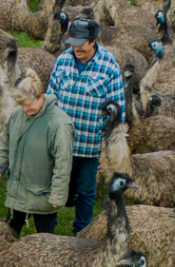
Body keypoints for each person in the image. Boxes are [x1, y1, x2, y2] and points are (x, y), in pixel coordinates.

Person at [48, 17, 126, 234]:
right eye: (72, 42)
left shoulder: (109, 66)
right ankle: (48, 231)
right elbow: (50, 96)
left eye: (80, 43)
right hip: (61, 141)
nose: (75, 48)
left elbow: (118, 109)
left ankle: (81, 232)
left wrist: (110, 144)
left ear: (93, 41)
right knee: (56, 184)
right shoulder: (63, 60)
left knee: (86, 189)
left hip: (89, 143)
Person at [0, 70, 75, 235]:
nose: (25, 109)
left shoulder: (59, 124)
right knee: (9, 236)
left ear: (40, 97)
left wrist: (58, 195)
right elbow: (5, 142)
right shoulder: (18, 114)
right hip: (19, 192)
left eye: (28, 105)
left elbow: (63, 163)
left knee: (44, 242)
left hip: (44, 195)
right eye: (21, 105)